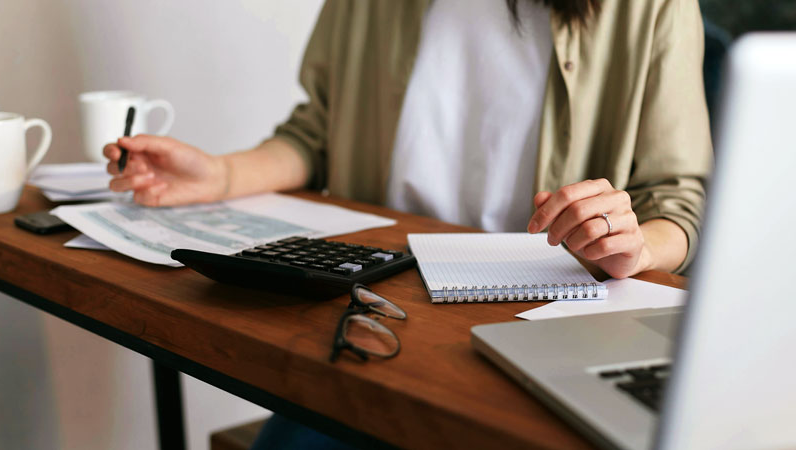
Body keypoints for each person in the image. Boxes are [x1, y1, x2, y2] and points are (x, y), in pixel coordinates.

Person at [104, 0, 711, 447]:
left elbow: (678, 200)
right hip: (380, 312)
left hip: (546, 320)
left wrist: (634, 245)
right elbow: (316, 135)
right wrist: (218, 173)